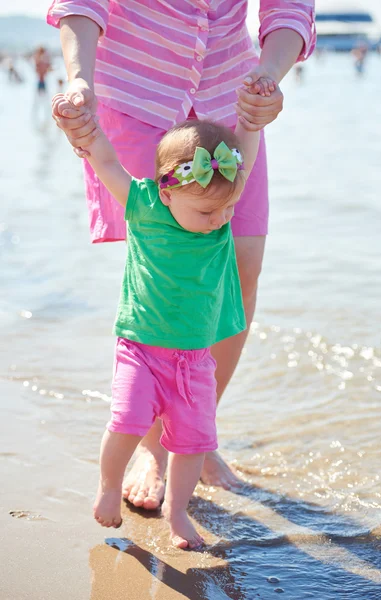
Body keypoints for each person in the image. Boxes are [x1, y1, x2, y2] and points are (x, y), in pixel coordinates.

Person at [48, 0, 316, 507]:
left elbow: (289, 7)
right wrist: (80, 80)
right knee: (163, 270)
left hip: (230, 101)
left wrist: (269, 74)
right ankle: (152, 446)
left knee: (241, 269)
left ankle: (195, 431)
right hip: (138, 93)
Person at [52, 86, 266, 547]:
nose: (221, 219)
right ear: (168, 193)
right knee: (126, 421)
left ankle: (177, 515)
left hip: (194, 361)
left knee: (192, 444)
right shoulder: (145, 205)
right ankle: (109, 488)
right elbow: (107, 163)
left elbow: (242, 156)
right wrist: (87, 131)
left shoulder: (219, 204)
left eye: (228, 207)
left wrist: (249, 124)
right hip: (141, 349)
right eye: (209, 210)